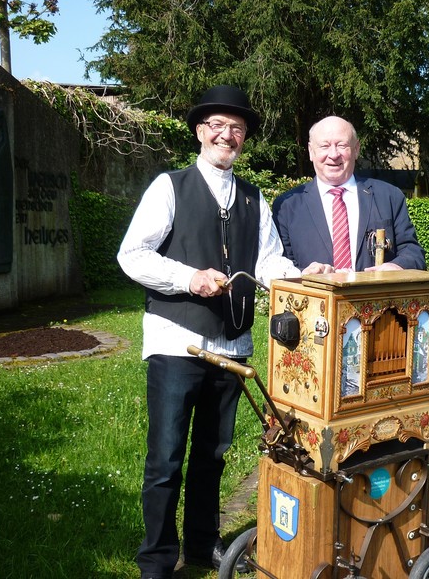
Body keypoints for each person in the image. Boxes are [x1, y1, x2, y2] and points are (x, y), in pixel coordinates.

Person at [117, 85, 303, 579]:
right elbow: (132, 254)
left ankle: (202, 545)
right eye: (218, 126)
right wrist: (188, 278)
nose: (228, 135)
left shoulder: (252, 197)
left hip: (233, 346)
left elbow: (268, 261)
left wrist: (304, 275)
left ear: (243, 139)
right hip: (176, 341)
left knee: (212, 458)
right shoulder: (169, 186)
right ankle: (156, 559)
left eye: (237, 129)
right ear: (201, 132)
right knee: (165, 460)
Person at [272, 116, 426, 273]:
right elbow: (278, 266)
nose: (333, 154)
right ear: (311, 151)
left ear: (356, 149)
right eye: (324, 146)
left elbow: (413, 252)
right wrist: (304, 274)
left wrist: (397, 266)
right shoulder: (286, 206)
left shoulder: (389, 196)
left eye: (342, 145)